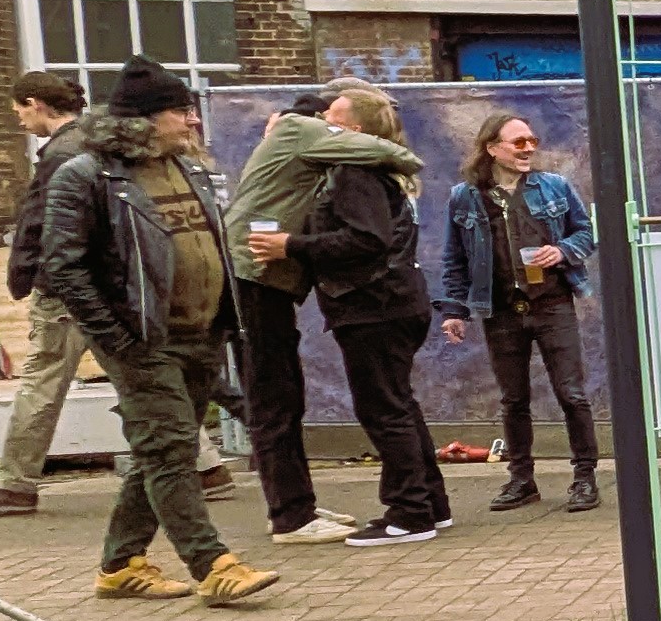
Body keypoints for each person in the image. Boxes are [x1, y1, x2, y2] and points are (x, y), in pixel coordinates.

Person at [37, 55, 279, 608]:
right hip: (141, 341)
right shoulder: (87, 176)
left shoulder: (187, 168)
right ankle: (213, 565)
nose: (193, 121)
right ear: (142, 120)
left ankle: (121, 565)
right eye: (181, 112)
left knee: (157, 453)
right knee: (172, 449)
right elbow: (63, 267)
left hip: (201, 334)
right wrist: (118, 339)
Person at [227, 83, 425, 546]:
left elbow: (365, 238)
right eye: (330, 118)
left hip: (332, 293)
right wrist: (407, 160)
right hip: (256, 274)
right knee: (277, 396)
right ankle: (293, 514)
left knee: (365, 404)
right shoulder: (304, 133)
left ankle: (397, 509)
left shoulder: (344, 167)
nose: (333, 128)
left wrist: (292, 246)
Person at [435, 111, 599, 515]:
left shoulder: (554, 187)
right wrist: (454, 310)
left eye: (531, 141)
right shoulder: (465, 197)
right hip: (501, 311)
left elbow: (586, 232)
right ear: (492, 148)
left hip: (552, 303)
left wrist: (561, 251)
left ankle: (585, 478)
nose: (528, 149)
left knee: (571, 394)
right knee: (513, 399)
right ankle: (522, 480)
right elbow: (455, 258)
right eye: (518, 142)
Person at [0, 73, 92, 517]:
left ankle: (14, 486)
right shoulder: (98, 144)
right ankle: (205, 469)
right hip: (105, 283)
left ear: (35, 103)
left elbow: (39, 222)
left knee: (42, 382)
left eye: (19, 112)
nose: (20, 123)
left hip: (65, 286)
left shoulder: (60, 155)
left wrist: (23, 274)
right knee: (139, 377)